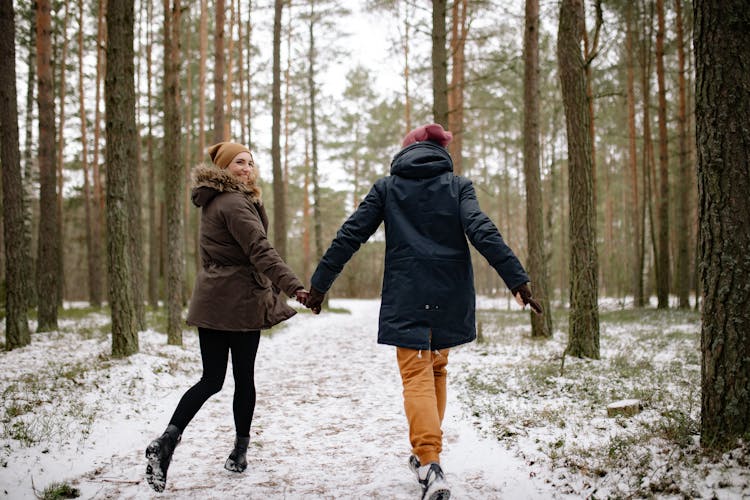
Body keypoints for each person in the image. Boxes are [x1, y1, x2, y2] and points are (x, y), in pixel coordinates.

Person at [303, 124, 542, 500]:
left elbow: (350, 234)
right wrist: (517, 280)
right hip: (451, 293)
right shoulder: (458, 185)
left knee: (417, 374)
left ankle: (430, 463)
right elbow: (482, 229)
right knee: (435, 369)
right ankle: (425, 454)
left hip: (408, 292)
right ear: (438, 152)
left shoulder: (387, 188)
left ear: (405, 152)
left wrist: (319, 286)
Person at [145, 141, 310, 493]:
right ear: (223, 168)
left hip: (211, 299)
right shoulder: (236, 203)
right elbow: (260, 251)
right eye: (238, 162)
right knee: (243, 378)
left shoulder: (214, 200)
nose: (246, 168)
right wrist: (295, 287)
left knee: (211, 379)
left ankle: (167, 441)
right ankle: (239, 452)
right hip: (240, 301)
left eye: (250, 162)